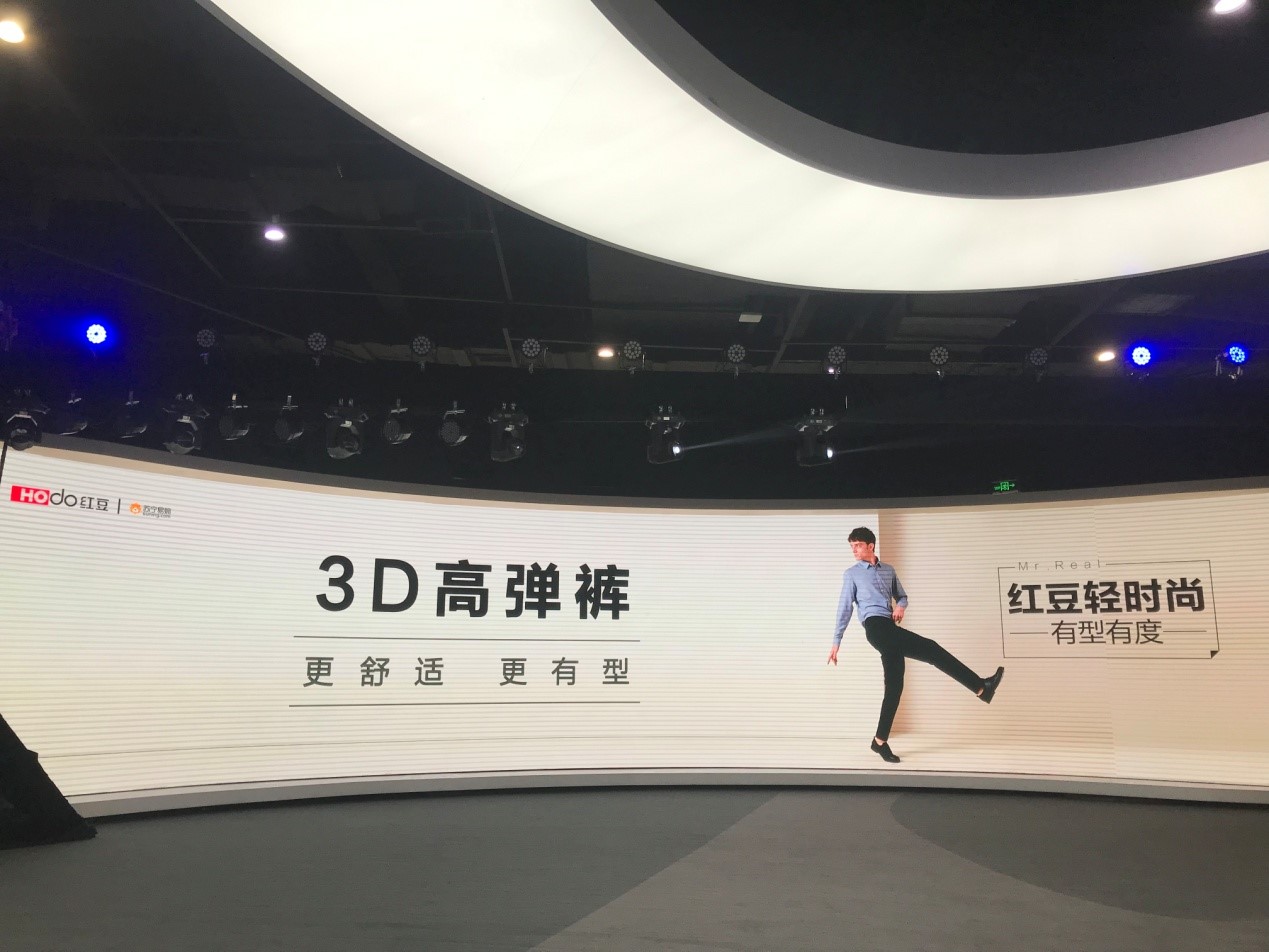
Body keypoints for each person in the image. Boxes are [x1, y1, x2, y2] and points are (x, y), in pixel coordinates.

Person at [826, 527, 1003, 764]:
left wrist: (900, 606)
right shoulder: (851, 574)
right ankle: (981, 688)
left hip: (889, 627)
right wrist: (836, 641)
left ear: (870, 546)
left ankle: (879, 741)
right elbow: (845, 607)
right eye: (852, 546)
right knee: (931, 649)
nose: (854, 550)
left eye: (858, 545)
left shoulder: (888, 570)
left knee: (895, 686)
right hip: (875, 628)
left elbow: (902, 596)